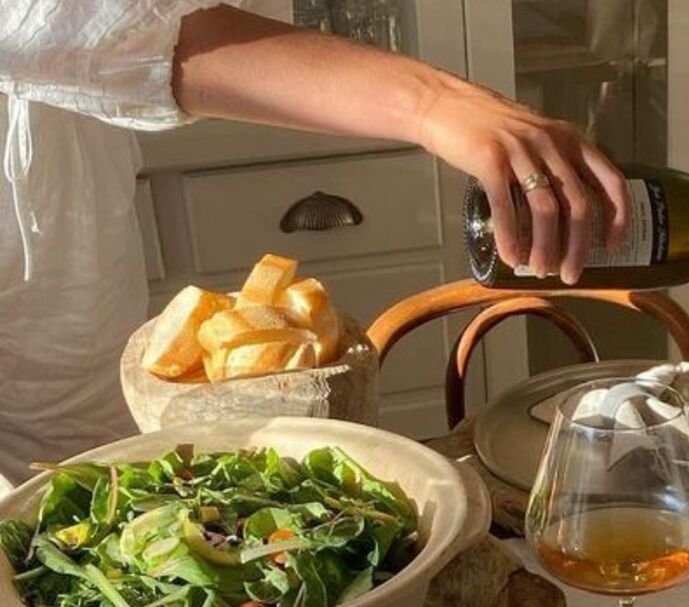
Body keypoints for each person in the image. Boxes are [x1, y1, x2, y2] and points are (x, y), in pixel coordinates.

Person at [0, 1, 630, 486]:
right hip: (27, 280)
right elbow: (95, 33)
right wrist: (433, 105)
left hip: (66, 258)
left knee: (88, 481)